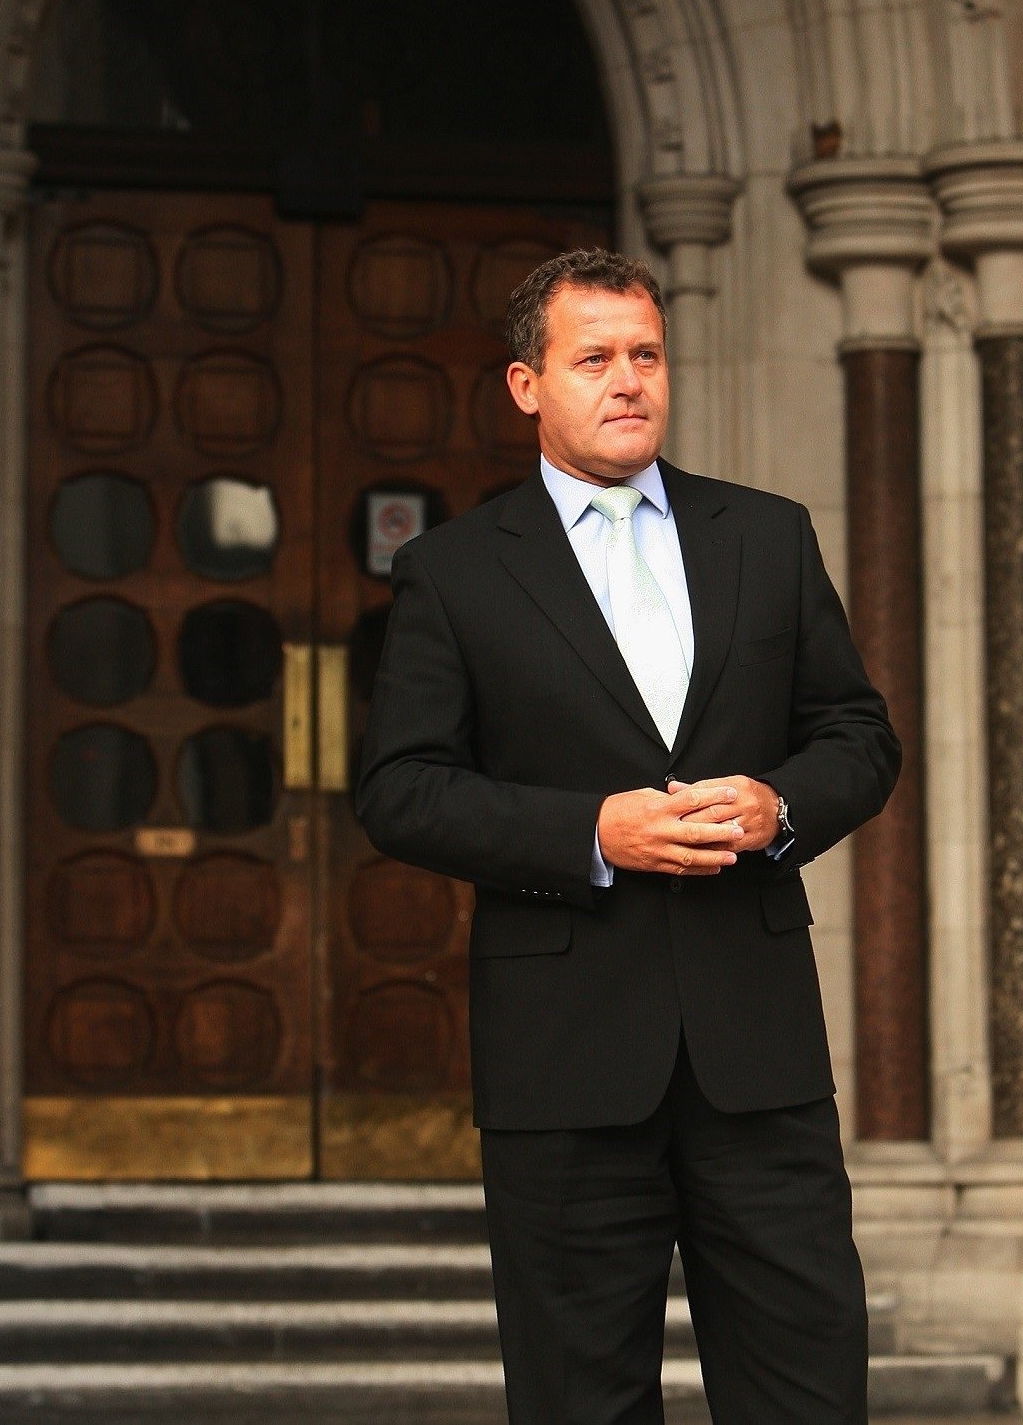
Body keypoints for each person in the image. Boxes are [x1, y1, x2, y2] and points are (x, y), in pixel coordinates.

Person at [356, 248, 900, 1423]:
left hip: (757, 1060)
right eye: (593, 357)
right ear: (525, 385)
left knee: (809, 1387)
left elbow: (859, 734)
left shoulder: (767, 534)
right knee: (580, 1400)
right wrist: (591, 830)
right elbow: (400, 787)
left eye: (645, 354)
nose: (628, 380)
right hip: (565, 1064)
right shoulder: (452, 572)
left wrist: (780, 806)